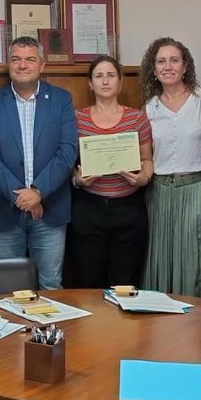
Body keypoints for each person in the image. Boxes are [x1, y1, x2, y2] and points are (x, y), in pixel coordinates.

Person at [0, 36, 77, 290]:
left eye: (30, 59)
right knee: (5, 290)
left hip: (50, 210)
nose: (22, 65)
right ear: (8, 64)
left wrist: (38, 192)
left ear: (42, 65)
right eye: (16, 59)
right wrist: (22, 197)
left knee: (50, 286)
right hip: (5, 211)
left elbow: (67, 152)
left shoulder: (61, 100)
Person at [140, 38, 201, 298]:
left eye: (174, 60)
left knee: (193, 257)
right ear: (153, 69)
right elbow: (144, 156)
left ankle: (195, 315)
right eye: (161, 61)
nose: (168, 66)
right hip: (158, 192)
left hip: (196, 189)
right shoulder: (148, 108)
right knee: (160, 256)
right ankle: (161, 316)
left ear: (185, 67)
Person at [69, 55, 153, 288]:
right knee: (88, 282)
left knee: (125, 283)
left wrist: (143, 178)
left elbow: (147, 159)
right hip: (89, 208)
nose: (105, 81)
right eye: (98, 76)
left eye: (111, 75)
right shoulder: (76, 119)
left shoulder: (137, 118)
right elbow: (66, 162)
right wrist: (77, 179)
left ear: (120, 81)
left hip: (128, 209)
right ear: (90, 83)